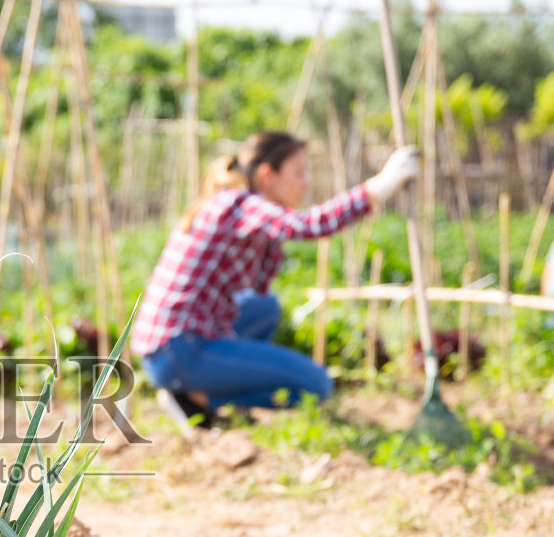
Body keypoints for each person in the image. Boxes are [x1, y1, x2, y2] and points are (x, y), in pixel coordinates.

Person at [132, 131, 420, 428]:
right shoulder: (242, 204)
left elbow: (257, 287)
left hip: (171, 345)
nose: (304, 183)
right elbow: (310, 225)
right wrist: (381, 186)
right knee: (316, 384)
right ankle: (197, 399)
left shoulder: (238, 206)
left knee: (264, 308)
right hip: (179, 349)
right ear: (267, 175)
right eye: (298, 172)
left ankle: (202, 388)